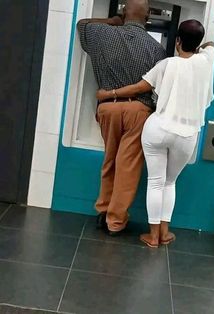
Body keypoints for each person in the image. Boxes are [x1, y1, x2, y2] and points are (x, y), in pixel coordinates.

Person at [96, 20, 214, 247]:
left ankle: (151, 236)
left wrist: (107, 93)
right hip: (186, 134)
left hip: (157, 129)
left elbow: (139, 87)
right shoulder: (206, 61)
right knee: (170, 183)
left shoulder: (167, 64)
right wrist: (201, 47)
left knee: (155, 183)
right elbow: (211, 45)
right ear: (198, 43)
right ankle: (164, 233)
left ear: (178, 41)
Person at [77, 0, 166, 235]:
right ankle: (115, 222)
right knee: (128, 166)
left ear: (123, 12)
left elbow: (81, 24)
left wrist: (111, 21)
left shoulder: (100, 33)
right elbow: (158, 87)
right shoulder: (156, 49)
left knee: (110, 160)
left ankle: (103, 211)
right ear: (147, 18)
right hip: (138, 111)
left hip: (107, 108)